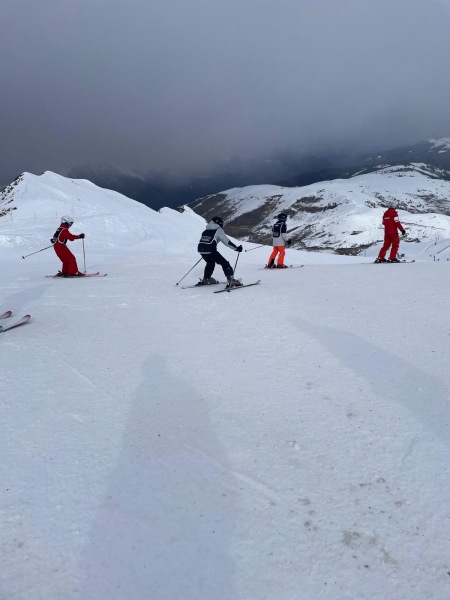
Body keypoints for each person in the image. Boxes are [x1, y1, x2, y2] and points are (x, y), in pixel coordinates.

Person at [197, 216, 243, 287]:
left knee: (210, 263)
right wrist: (236, 248)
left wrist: (205, 250)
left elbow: (208, 241)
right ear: (219, 223)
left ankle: (206, 279)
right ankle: (231, 280)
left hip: (201, 250)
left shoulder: (205, 231)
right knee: (225, 264)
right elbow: (227, 242)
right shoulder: (218, 230)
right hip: (211, 251)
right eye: (222, 222)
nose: (222, 224)